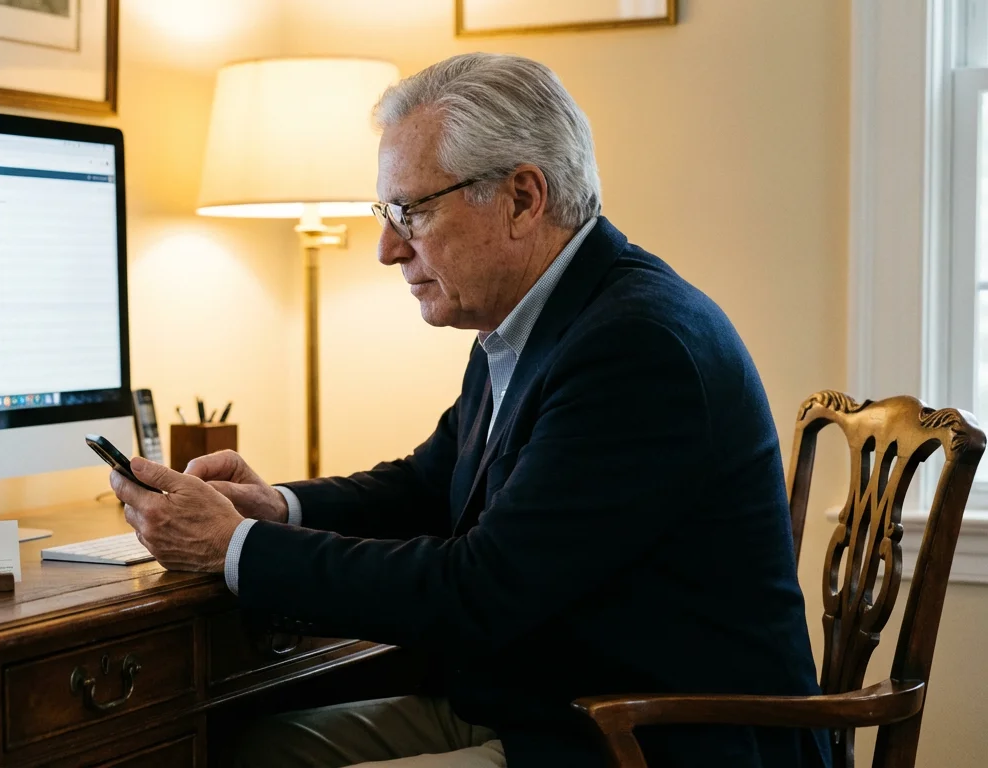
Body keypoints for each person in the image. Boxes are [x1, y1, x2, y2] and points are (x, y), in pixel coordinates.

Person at [107, 53, 830, 768]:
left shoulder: (637, 349)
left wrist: (232, 547)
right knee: (254, 749)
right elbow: (427, 485)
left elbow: (477, 592)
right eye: (386, 213)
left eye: (411, 212)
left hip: (645, 740)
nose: (389, 248)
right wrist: (277, 509)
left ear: (521, 198)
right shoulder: (533, 318)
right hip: (546, 706)